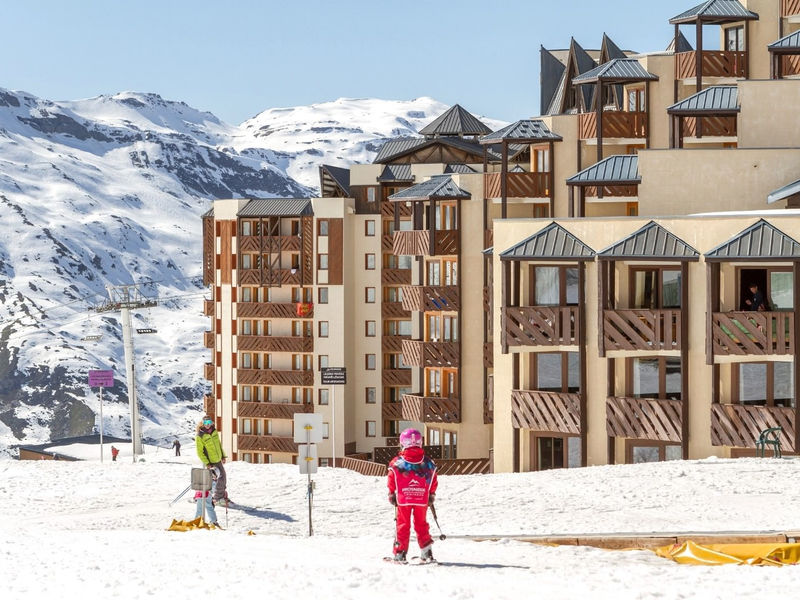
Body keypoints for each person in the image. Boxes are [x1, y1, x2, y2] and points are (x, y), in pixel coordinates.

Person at [387, 428, 438, 563]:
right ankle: (426, 552)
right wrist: (431, 494)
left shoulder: (397, 462)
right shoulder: (428, 463)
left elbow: (392, 478)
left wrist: (391, 493)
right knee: (421, 524)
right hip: (422, 498)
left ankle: (400, 554)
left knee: (403, 524)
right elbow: (433, 479)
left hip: (404, 499)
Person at [196, 416, 229, 505]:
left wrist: (222, 456)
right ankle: (218, 498)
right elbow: (200, 452)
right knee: (221, 478)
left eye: (209, 422)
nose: (208, 425)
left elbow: (218, 444)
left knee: (215, 479)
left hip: (217, 459)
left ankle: (202, 496)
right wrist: (207, 463)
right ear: (202, 423)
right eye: (206, 423)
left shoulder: (214, 431)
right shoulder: (200, 435)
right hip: (211, 462)